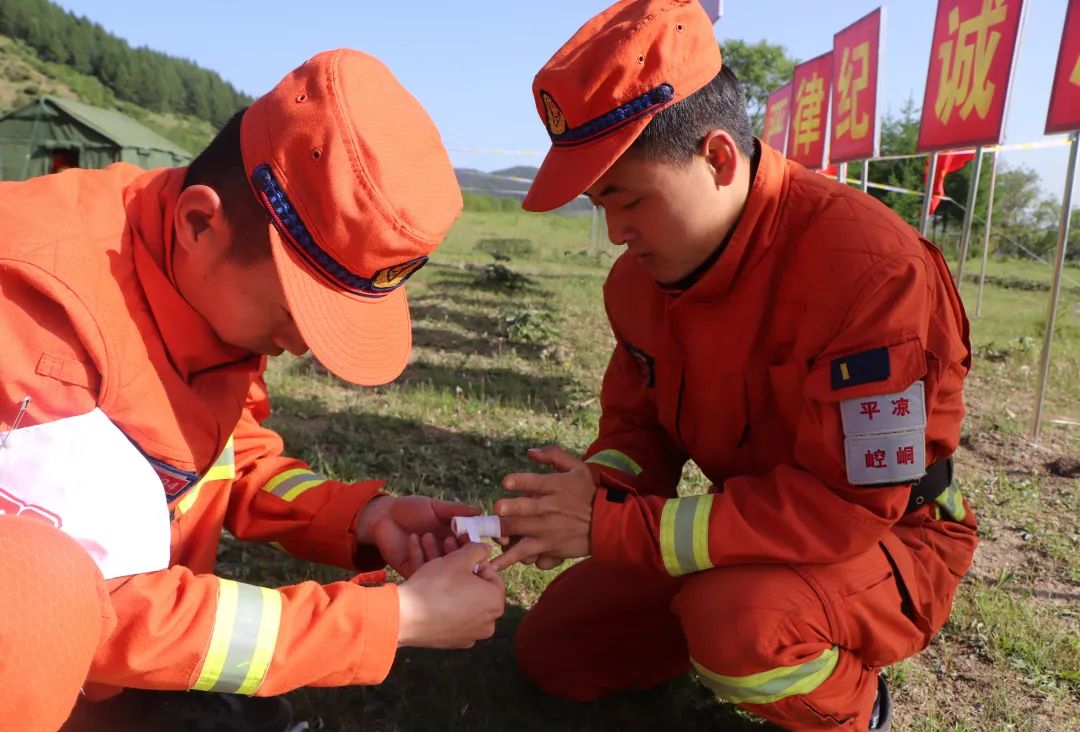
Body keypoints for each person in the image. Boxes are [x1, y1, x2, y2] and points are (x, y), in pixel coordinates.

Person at [491, 1, 977, 729]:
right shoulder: (638, 284)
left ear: (718, 157)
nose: (617, 232)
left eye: (628, 200)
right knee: (555, 649)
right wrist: (584, 495)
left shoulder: (871, 272)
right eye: (600, 206)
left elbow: (849, 507)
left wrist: (617, 531)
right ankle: (717, 635)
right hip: (737, 531)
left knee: (739, 624)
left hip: (887, 540)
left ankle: (854, 708)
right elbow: (638, 430)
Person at [0, 48, 504, 732]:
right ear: (201, 223)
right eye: (295, 311)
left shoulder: (193, 280)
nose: (301, 344)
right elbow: (95, 614)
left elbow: (227, 459)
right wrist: (391, 620)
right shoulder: (35, 332)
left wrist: (363, 518)